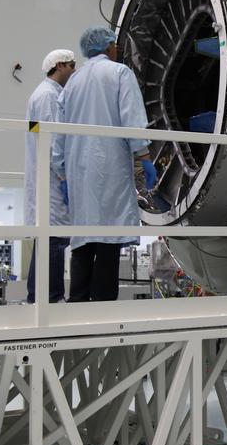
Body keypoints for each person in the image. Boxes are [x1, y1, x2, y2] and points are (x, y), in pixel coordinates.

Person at [52, 26, 157, 302]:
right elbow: (132, 119)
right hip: (108, 166)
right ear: (109, 47)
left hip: (78, 170)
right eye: (115, 44)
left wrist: (62, 172)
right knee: (109, 239)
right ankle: (102, 306)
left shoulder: (71, 83)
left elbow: (59, 133)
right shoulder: (119, 73)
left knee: (84, 241)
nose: (117, 49)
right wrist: (144, 157)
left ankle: (77, 303)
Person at [24, 49, 75, 303]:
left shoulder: (45, 94)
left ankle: (40, 296)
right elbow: (54, 141)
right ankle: (50, 297)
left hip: (47, 177)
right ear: (60, 66)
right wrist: (64, 176)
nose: (74, 71)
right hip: (52, 180)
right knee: (53, 241)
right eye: (71, 66)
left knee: (49, 240)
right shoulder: (48, 96)